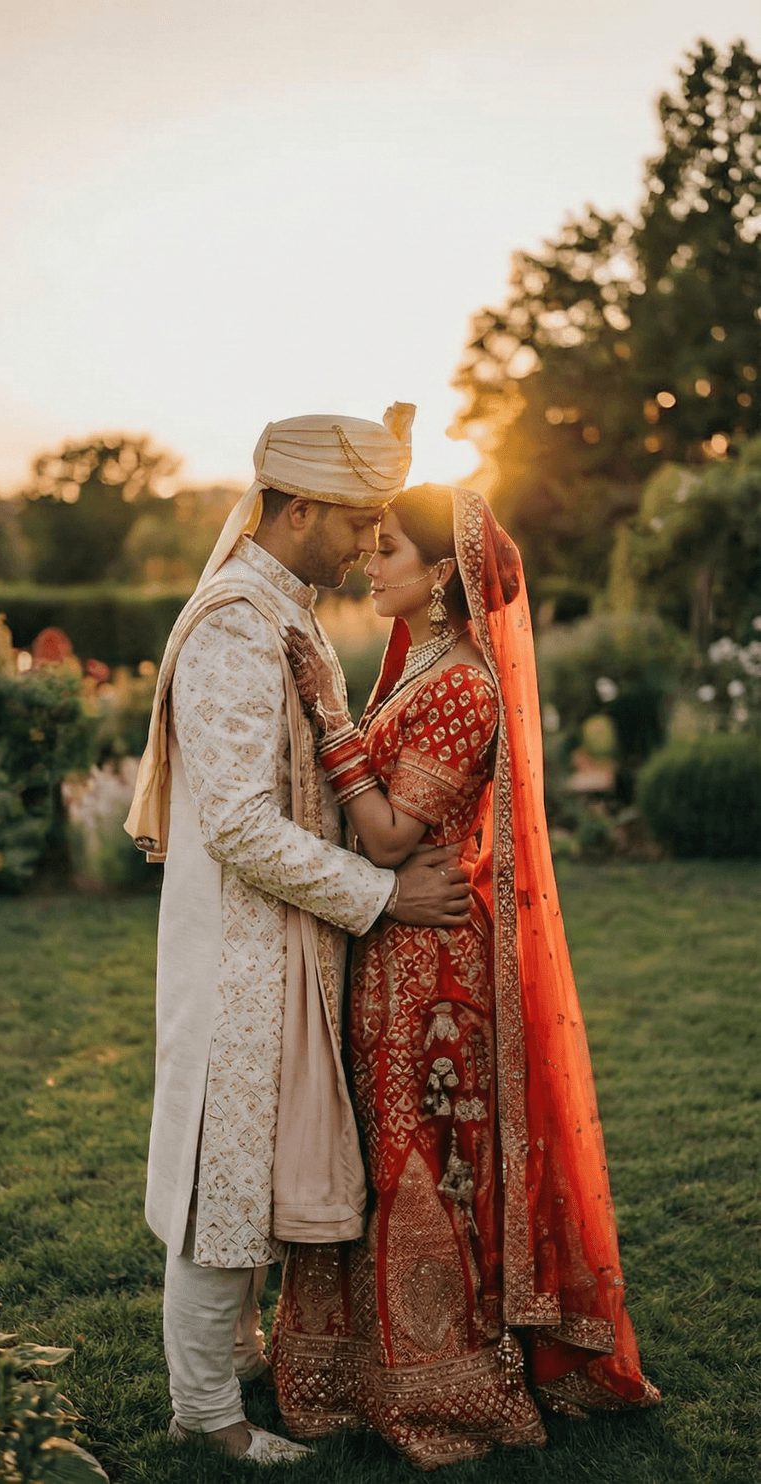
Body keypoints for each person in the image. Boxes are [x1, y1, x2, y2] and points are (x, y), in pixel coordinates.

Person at [272, 483, 659, 1470]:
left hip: (432, 968)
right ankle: (359, 1366)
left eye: (390, 547)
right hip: (395, 944)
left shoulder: (461, 685)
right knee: (382, 1149)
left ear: (442, 571)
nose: (371, 561)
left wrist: (329, 715)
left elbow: (391, 834)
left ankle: (445, 1376)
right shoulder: (420, 666)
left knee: (423, 1163)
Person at [123, 412, 473, 1464]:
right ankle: (206, 1415)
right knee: (220, 1174)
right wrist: (382, 894)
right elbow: (237, 824)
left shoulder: (288, 608)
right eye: (359, 520)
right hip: (239, 950)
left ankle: (234, 1365)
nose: (369, 542)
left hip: (286, 942)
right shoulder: (237, 622)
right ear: (301, 508)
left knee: (254, 1164)